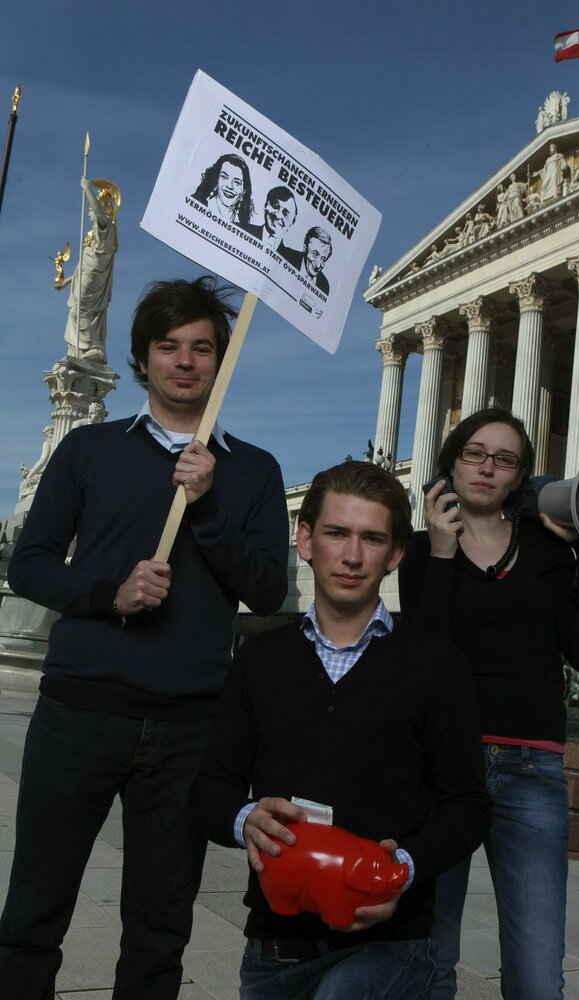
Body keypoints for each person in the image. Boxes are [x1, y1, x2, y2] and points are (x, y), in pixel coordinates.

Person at [0, 276, 289, 999]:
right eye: (169, 347)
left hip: (189, 726)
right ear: (143, 359)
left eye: (201, 348)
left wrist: (208, 502)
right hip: (79, 712)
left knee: (160, 927)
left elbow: (267, 589)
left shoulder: (250, 470)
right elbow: (30, 562)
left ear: (220, 361)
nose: (184, 361)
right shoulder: (88, 451)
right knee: (36, 908)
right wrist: (109, 594)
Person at [191, 460, 491, 1000]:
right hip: (273, 950)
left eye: (372, 539)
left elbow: (468, 804)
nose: (352, 556)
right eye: (336, 533)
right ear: (305, 540)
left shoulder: (437, 665)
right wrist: (246, 820)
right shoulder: (258, 661)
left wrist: (402, 867)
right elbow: (210, 788)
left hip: (390, 945)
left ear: (396, 554)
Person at [399, 408, 579, 1000]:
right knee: (429, 956)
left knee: (538, 972)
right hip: (441, 768)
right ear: (452, 463)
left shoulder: (548, 549)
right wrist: (442, 554)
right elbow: (422, 659)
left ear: (519, 477)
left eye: (505, 459)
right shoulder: (419, 551)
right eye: (474, 453)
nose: (487, 467)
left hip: (530, 767)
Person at [61, 177, 120, 363]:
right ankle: (79, 350)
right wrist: (68, 281)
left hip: (95, 278)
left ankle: (94, 347)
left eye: (91, 211)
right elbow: (82, 266)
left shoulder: (106, 230)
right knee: (76, 311)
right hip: (85, 276)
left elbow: (100, 215)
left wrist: (87, 189)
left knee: (82, 309)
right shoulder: (93, 236)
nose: (89, 215)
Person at [191, 152, 255, 229]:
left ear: (244, 190)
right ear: (216, 179)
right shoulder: (195, 202)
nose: (230, 186)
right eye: (224, 177)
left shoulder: (244, 225)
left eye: (237, 182)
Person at [281, 226, 333, 294]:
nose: (318, 265)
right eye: (315, 254)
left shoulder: (324, 286)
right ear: (305, 247)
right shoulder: (286, 257)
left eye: (323, 260)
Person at [245, 185, 298, 251]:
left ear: (291, 223)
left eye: (285, 213)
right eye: (275, 206)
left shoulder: (293, 259)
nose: (278, 215)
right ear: (265, 206)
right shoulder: (242, 229)